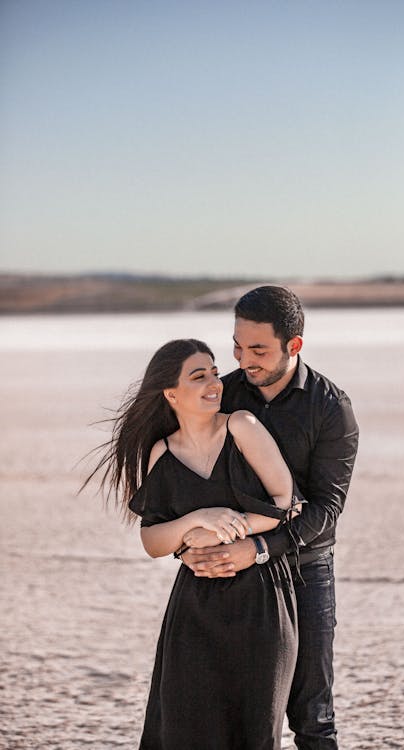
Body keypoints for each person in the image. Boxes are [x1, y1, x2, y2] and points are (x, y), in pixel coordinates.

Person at [89, 338, 302, 750]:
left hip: (259, 602)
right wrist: (195, 521)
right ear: (171, 393)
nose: (214, 383)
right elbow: (153, 539)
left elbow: (288, 503)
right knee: (186, 729)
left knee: (254, 733)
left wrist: (222, 530)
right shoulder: (161, 452)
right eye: (198, 375)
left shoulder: (241, 425)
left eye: (215, 372)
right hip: (194, 610)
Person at [181, 286, 359, 750]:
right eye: (237, 346)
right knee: (232, 712)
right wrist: (189, 548)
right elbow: (182, 477)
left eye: (258, 350)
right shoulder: (223, 394)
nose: (243, 360)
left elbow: (326, 509)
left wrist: (257, 549)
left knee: (313, 718)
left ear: (293, 345)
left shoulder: (330, 408)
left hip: (304, 572)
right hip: (226, 574)